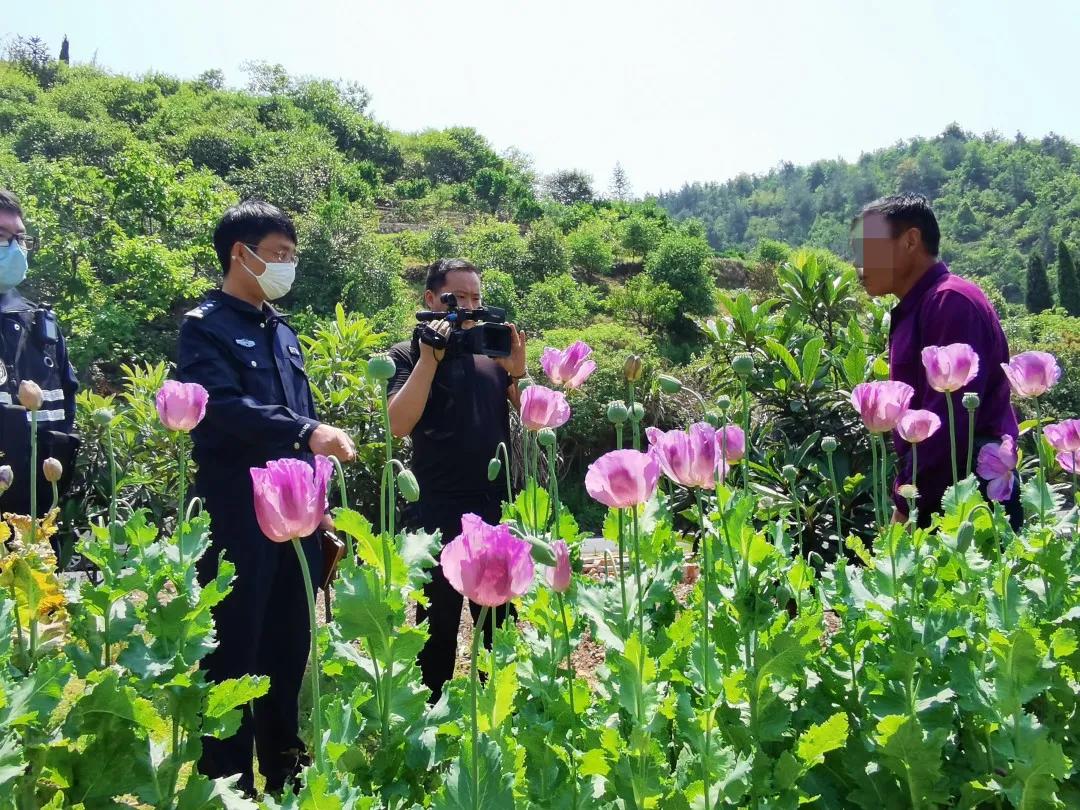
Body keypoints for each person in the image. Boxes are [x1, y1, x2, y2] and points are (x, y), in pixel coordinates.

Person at [178, 200, 356, 796]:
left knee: (288, 645)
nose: (288, 266)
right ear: (241, 254)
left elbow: (301, 416)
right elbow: (223, 408)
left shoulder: (281, 330)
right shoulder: (204, 327)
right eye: (279, 254)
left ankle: (286, 774)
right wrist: (306, 432)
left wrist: (318, 505)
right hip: (239, 514)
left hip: (297, 516)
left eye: (291, 256)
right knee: (233, 648)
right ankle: (229, 786)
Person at [387, 258, 527, 702]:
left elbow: (534, 420)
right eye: (458, 297)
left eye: (475, 298)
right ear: (431, 299)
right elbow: (397, 424)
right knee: (436, 629)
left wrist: (516, 372)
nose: (469, 307)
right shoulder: (406, 354)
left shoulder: (491, 353)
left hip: (493, 507)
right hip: (436, 509)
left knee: (499, 627)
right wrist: (430, 360)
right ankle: (432, 719)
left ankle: (498, 716)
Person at [851, 192, 1022, 529]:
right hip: (943, 489)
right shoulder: (924, 304)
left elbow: (948, 421)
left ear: (910, 240)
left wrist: (907, 505)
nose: (858, 265)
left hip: (969, 498)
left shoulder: (950, 302)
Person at [0, 190, 80, 524]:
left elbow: (66, 412)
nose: (15, 248)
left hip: (36, 520)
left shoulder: (39, 325)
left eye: (20, 238)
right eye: (2, 237)